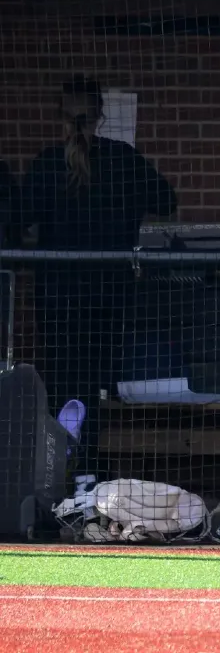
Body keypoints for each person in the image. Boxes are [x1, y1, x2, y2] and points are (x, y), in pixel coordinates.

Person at [16, 74, 176, 474]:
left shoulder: (48, 165)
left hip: (57, 294)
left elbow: (17, 220)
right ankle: (88, 468)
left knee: (61, 379)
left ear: (61, 117)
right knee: (96, 381)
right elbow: (167, 200)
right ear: (100, 115)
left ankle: (58, 472)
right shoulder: (122, 160)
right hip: (109, 291)